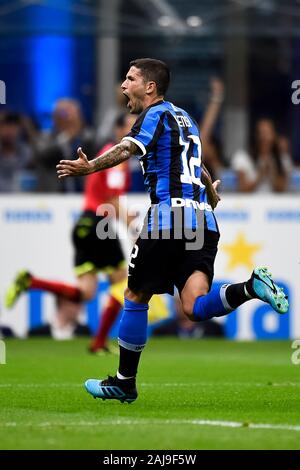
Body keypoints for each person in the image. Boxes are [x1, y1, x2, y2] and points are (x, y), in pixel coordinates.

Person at [57, 58, 289, 404]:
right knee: (194, 306)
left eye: (130, 79)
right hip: (204, 223)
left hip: (168, 220)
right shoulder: (185, 119)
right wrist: (209, 192)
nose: (123, 85)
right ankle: (250, 286)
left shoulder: (153, 115)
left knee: (135, 295)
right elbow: (197, 166)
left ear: (150, 87)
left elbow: (127, 147)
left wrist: (91, 167)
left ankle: (124, 381)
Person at [5, 113, 134, 343]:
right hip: (99, 223)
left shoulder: (106, 152)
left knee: (87, 292)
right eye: (131, 125)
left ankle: (31, 282)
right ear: (118, 130)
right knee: (123, 281)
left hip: (83, 224)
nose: (137, 130)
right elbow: (113, 200)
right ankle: (99, 342)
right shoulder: (118, 157)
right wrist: (133, 226)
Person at [232, 118, 293, 193]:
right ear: (255, 136)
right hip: (249, 203)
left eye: (267, 133)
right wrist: (260, 175)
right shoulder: (242, 157)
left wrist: (272, 172)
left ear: (274, 136)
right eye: (261, 133)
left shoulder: (283, 159)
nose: (264, 138)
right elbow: (243, 189)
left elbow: (281, 189)